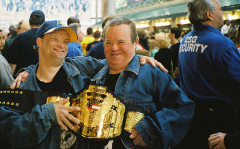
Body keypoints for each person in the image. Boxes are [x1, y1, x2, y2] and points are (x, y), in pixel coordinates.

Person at [0, 20, 168, 149]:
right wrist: (48, 114)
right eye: (55, 39)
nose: (62, 45)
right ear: (40, 42)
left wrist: (140, 58)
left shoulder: (80, 68)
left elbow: (118, 59)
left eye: (65, 41)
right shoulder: (23, 85)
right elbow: (9, 132)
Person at [82, 16, 194, 149]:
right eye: (108, 42)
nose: (114, 48)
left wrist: (151, 130)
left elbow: (183, 108)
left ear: (135, 42)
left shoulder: (152, 73)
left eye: (121, 42)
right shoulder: (95, 74)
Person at [176, 0, 240, 149]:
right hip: (218, 121)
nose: (223, 12)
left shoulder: (185, 40)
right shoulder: (220, 42)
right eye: (220, 9)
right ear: (209, 14)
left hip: (190, 116)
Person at [7, 10, 45, 76]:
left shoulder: (20, 38)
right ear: (44, 23)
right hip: (43, 79)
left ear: (30, 22)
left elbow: (12, 64)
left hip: (22, 79)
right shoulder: (47, 38)